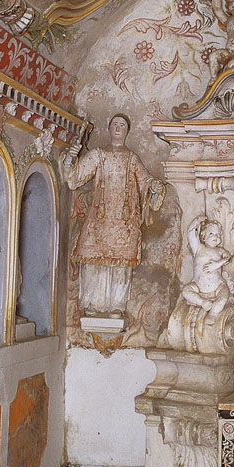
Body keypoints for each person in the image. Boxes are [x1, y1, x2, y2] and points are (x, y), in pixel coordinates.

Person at [64, 114, 165, 318]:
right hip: (99, 219)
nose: (118, 128)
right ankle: (92, 302)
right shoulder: (98, 155)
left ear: (127, 131)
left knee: (121, 266)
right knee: (94, 261)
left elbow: (145, 181)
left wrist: (154, 186)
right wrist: (70, 158)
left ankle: (117, 304)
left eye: (122, 125)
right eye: (115, 124)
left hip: (124, 222)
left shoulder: (132, 159)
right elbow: (75, 178)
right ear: (109, 128)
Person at [180, 217, 234, 327]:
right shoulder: (198, 248)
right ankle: (202, 302)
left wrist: (217, 264)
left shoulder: (220, 251)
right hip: (198, 286)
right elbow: (190, 233)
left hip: (218, 286)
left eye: (218, 235)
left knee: (224, 297)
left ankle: (213, 313)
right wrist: (197, 221)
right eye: (211, 234)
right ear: (203, 236)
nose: (216, 236)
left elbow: (228, 258)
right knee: (185, 291)